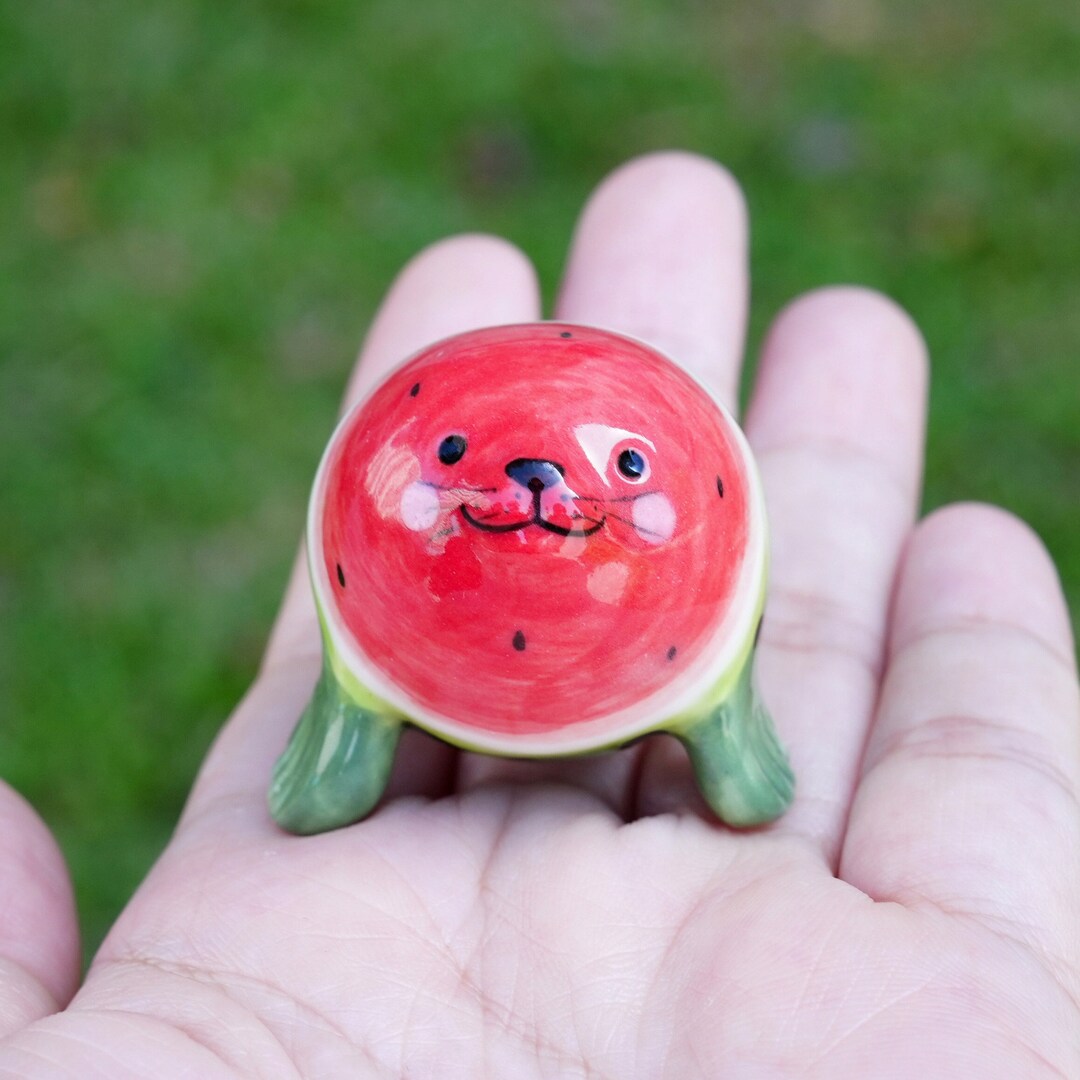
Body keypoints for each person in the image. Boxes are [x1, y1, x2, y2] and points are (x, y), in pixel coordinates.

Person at [0, 153, 1076, 1077]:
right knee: (688, 746)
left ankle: (704, 725)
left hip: (660, 624)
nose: (539, 486)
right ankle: (374, 718)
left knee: (699, 695)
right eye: (476, 462)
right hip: (397, 614)